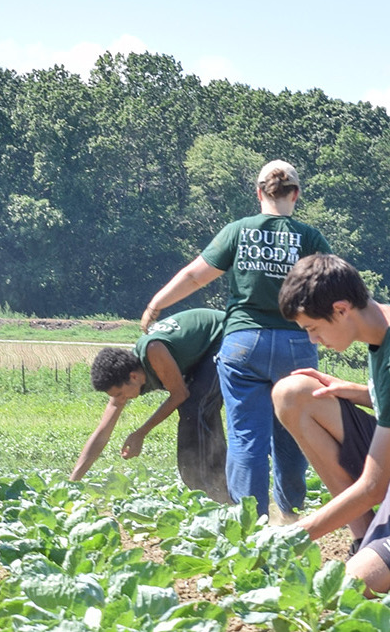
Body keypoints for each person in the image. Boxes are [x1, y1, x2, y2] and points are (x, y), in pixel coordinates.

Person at [139, 160, 331, 517]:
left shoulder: (238, 231)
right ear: (297, 194)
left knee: (246, 437)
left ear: (259, 193)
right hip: (295, 345)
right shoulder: (309, 237)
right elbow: (333, 287)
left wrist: (156, 304)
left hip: (243, 343)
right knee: (294, 433)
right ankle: (290, 515)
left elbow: (195, 276)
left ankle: (249, 524)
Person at [273, 254, 390, 595]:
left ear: (341, 309)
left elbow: (374, 486)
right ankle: (365, 537)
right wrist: (360, 391)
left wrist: (295, 535)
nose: (313, 340)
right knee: (294, 393)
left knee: (344, 592)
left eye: (313, 328)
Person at [70, 308, 229, 503]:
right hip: (201, 351)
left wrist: (141, 432)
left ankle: (217, 490)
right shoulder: (127, 375)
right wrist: (73, 482)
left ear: (134, 377)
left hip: (224, 335)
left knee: (194, 407)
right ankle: (216, 485)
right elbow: (102, 433)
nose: (120, 400)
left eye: (120, 394)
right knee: (198, 410)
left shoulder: (154, 350)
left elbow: (180, 394)